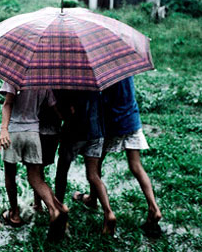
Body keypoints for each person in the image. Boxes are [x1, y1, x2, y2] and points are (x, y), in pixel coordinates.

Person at [74, 76, 163, 237]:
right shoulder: (124, 68)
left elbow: (102, 100)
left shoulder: (104, 73)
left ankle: (95, 200)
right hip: (132, 120)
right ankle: (154, 207)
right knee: (136, 167)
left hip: (112, 124)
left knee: (95, 165)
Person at [0, 82, 68, 241]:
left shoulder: (13, 78)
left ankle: (14, 214)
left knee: (10, 175)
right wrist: (66, 120)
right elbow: (54, 108)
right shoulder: (44, 82)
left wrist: (4, 129)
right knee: (35, 177)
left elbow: (7, 103)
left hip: (14, 132)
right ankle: (55, 209)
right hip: (33, 134)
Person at [54, 90, 117, 235]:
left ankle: (58, 207)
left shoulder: (67, 82)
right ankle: (108, 212)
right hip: (97, 131)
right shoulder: (94, 82)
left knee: (62, 170)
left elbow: (66, 111)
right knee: (94, 175)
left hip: (74, 133)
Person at [32, 100, 61, 213]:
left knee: (35, 171)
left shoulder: (37, 84)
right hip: (54, 131)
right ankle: (38, 203)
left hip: (37, 130)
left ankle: (47, 205)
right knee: (39, 169)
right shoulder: (61, 85)